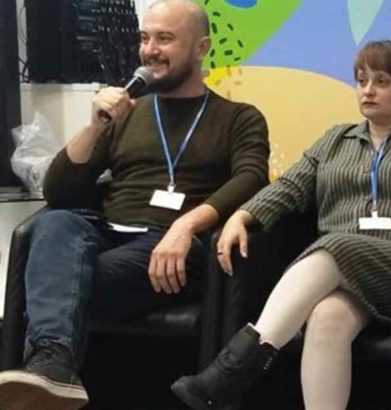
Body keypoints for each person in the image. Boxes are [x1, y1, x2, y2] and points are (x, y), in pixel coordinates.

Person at [170, 39, 391, 410]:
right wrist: (243, 215)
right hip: (343, 275)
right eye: (362, 80)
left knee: (336, 244)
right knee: (327, 318)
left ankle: (233, 371)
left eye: (382, 82)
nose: (368, 90)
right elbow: (290, 187)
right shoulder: (336, 140)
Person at [0, 0, 270, 408]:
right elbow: (59, 191)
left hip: (172, 246)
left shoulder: (239, 117)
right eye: (145, 38)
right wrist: (94, 126)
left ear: (201, 48)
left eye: (165, 39)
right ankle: (53, 367)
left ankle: (51, 367)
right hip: (105, 231)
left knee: (53, 282)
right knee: (52, 224)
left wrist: (185, 226)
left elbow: (251, 179)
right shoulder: (126, 114)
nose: (150, 50)